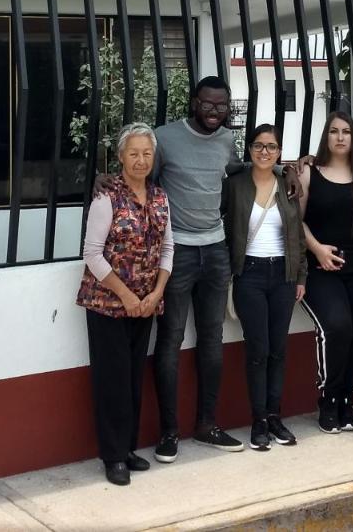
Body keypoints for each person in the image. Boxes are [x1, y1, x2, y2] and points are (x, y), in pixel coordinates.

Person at [145, 76, 300, 463]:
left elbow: (247, 168)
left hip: (216, 251)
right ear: (193, 102)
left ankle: (207, 425)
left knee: (211, 340)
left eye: (221, 106)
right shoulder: (164, 138)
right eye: (208, 104)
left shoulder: (227, 141)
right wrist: (106, 181)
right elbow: (143, 178)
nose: (214, 112)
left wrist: (288, 169)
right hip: (176, 252)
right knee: (171, 339)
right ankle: (168, 432)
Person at [76, 123, 173, 486]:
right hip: (107, 304)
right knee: (111, 380)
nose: (140, 160)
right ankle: (113, 455)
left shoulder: (160, 197)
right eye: (133, 153)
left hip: (146, 303)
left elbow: (168, 248)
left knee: (133, 378)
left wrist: (155, 293)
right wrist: (128, 296)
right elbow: (92, 254)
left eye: (147, 153)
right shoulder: (106, 198)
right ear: (120, 157)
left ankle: (128, 448)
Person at [223, 124, 307, 451]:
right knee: (257, 351)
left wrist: (301, 276)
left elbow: (298, 235)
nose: (264, 152)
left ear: (279, 152)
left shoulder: (287, 185)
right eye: (258, 146)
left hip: (283, 275)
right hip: (250, 275)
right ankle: (258, 420)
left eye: (271, 147)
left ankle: (274, 416)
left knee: (278, 350)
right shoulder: (235, 186)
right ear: (249, 150)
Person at [296, 111, 353, 434]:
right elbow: (296, 220)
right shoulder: (309, 173)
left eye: (346, 131)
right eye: (334, 131)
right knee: (337, 327)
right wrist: (317, 248)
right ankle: (328, 400)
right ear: (326, 136)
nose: (340, 137)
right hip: (321, 268)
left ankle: (348, 402)